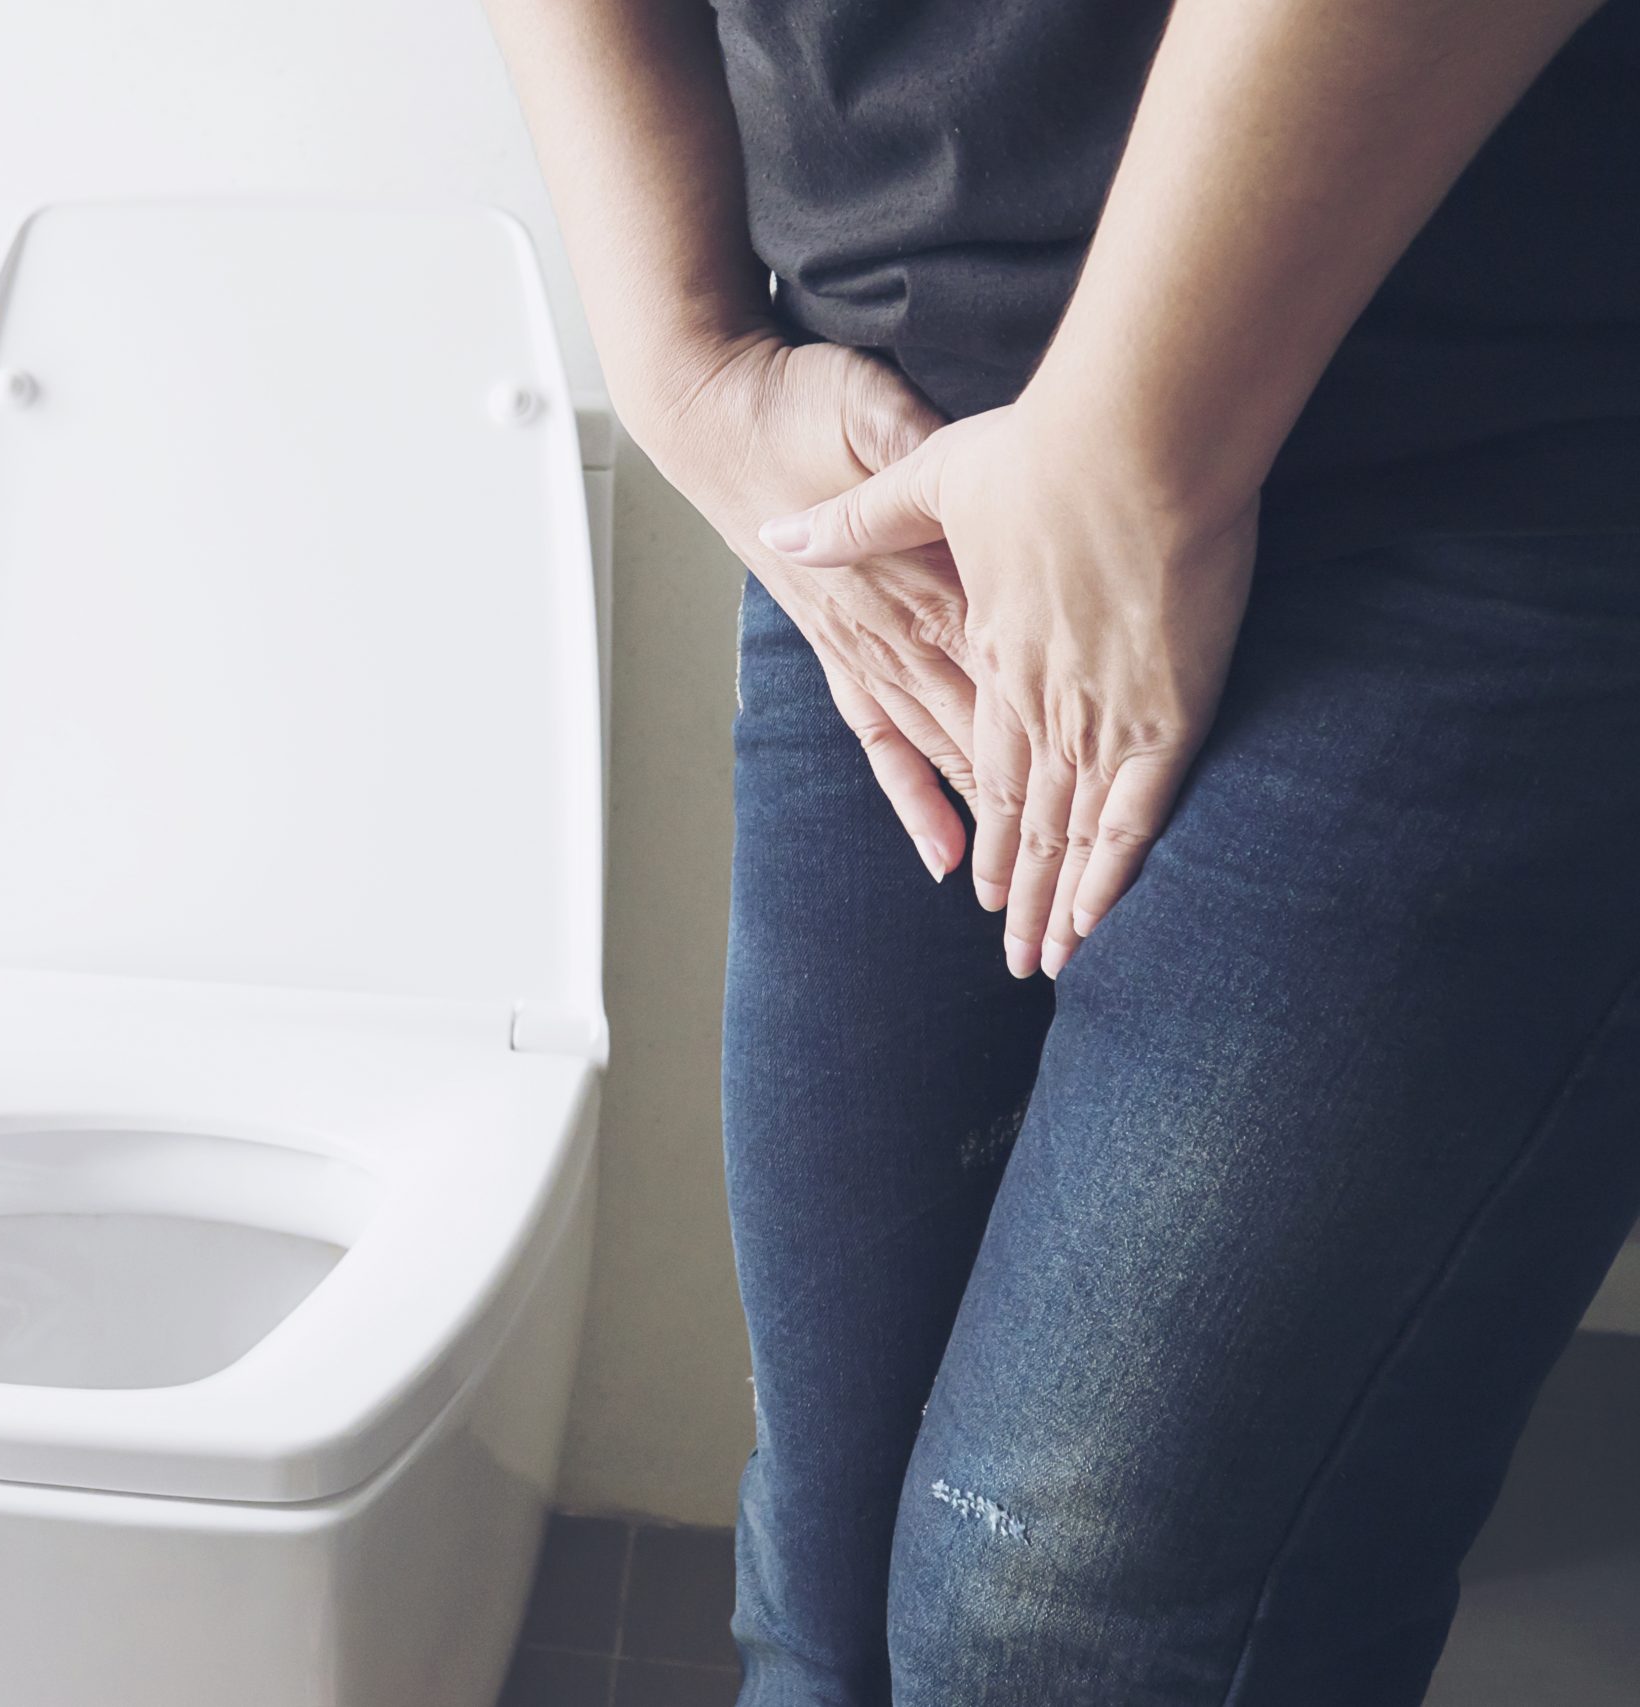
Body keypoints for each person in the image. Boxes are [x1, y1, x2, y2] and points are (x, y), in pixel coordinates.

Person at [481, 1, 1640, 1702]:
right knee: (826, 1589)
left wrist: (1140, 440)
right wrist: (683, 369)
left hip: (1485, 457)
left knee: (1056, 1637)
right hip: (901, 497)